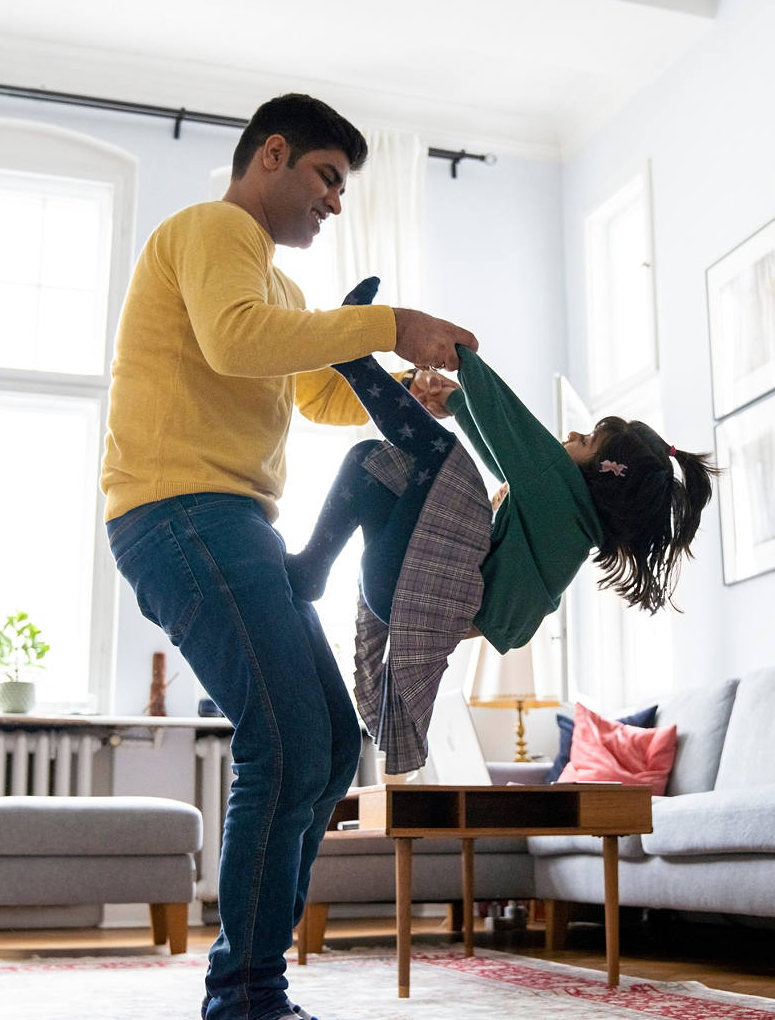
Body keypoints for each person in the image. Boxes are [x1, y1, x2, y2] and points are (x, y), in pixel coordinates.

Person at [100, 94, 477, 1020]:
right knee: (287, 737)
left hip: (226, 521)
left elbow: (306, 388)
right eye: (326, 178)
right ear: (271, 154)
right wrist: (392, 321)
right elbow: (236, 342)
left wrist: (400, 388)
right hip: (184, 511)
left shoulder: (266, 283)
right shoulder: (214, 231)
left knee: (326, 739)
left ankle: (257, 992)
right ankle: (244, 1006)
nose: (335, 203)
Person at [285, 278, 718, 775]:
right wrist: (452, 402)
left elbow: (515, 433)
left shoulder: (559, 499)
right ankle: (311, 568)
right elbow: (507, 455)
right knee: (373, 461)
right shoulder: (563, 524)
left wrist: (461, 357)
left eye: (589, 438)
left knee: (445, 462)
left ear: (604, 475)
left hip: (412, 592)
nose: (574, 433)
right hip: (403, 591)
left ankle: (353, 364)